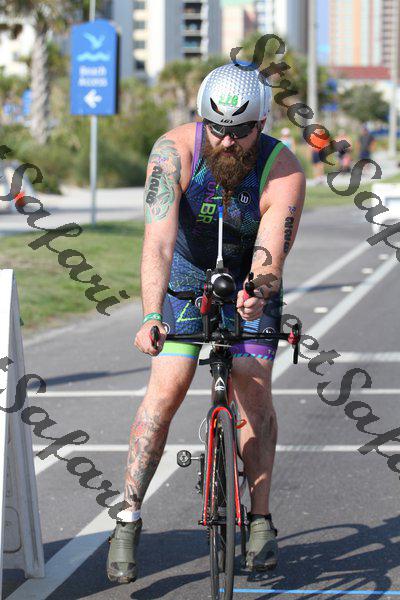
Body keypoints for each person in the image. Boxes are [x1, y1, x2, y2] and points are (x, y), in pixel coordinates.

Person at [106, 62, 305, 584]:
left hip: (247, 282)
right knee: (166, 389)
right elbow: (158, 242)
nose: (227, 141)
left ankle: (259, 519)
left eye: (241, 131)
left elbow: (270, 254)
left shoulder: (283, 169)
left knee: (252, 387)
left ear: (261, 125)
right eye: (217, 129)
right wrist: (151, 315)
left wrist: (258, 292)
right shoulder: (173, 152)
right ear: (202, 120)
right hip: (185, 278)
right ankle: (128, 516)